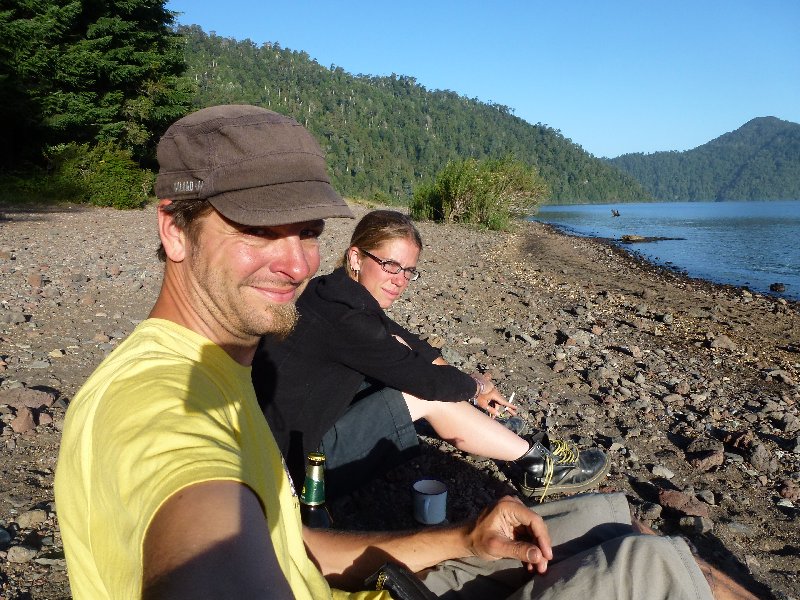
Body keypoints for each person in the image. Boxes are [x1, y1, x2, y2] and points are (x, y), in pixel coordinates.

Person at [54, 105, 750, 600]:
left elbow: (290, 548)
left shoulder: (223, 364)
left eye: (305, 231)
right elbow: (205, 547)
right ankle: (540, 467)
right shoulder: (161, 404)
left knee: (608, 518)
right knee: (668, 566)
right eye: (257, 230)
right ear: (174, 232)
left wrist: (460, 540)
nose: (294, 262)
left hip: (363, 571)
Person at [253, 210, 609, 500]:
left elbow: (403, 338)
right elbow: (428, 383)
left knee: (412, 363)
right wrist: (476, 385)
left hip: (286, 441)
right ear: (356, 256)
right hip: (297, 473)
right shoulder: (347, 320)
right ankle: (537, 466)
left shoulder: (332, 292)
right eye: (390, 265)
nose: (399, 279)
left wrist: (471, 385)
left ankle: (500, 437)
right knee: (428, 394)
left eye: (408, 271)